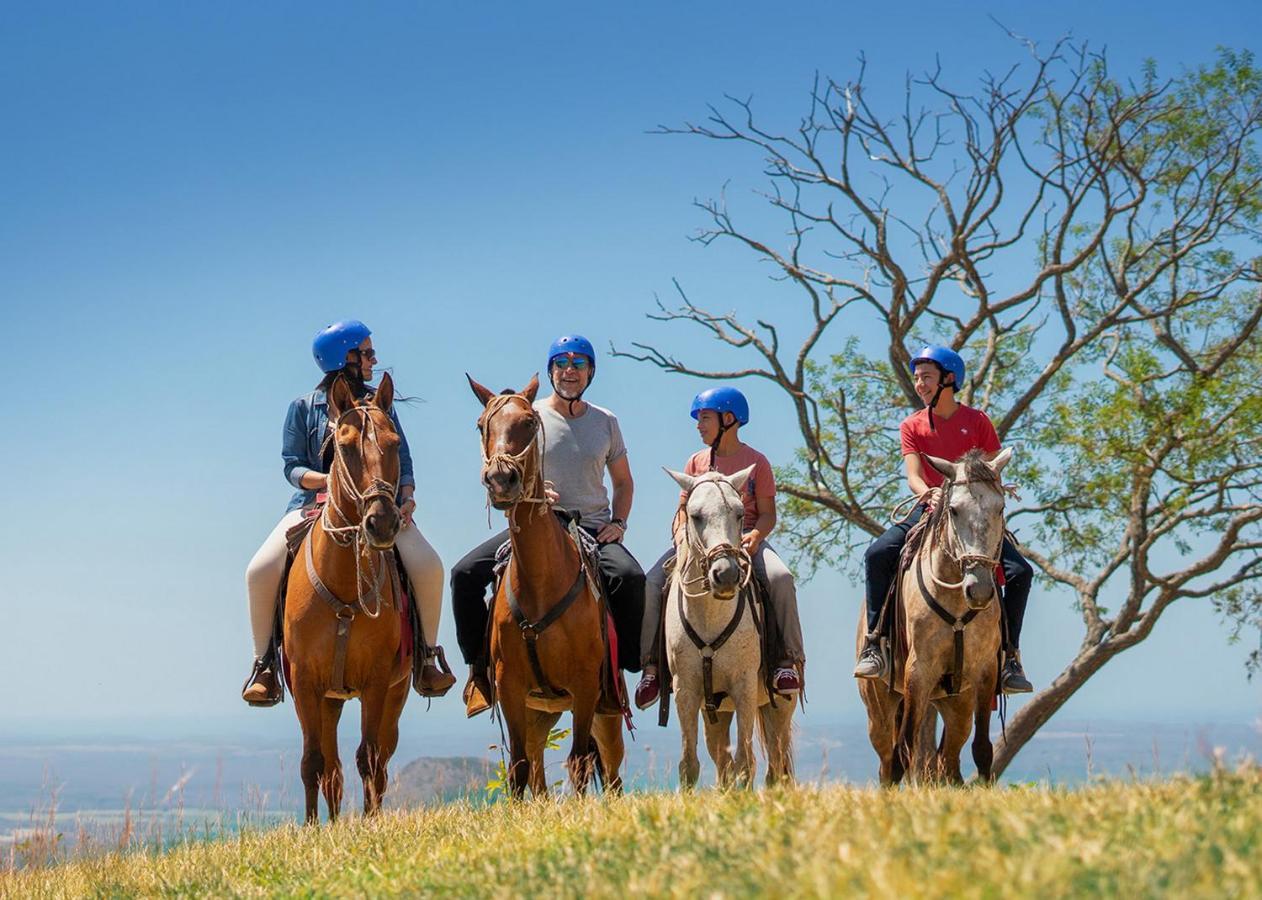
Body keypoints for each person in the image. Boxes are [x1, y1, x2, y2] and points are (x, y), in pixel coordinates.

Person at [241, 320, 456, 705]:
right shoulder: (303, 408)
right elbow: (291, 466)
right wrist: (328, 482)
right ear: (346, 358)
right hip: (314, 507)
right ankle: (265, 665)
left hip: (382, 507)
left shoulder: (380, 404)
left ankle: (427, 655)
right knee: (259, 570)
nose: (374, 359)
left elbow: (402, 459)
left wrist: (406, 496)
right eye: (367, 353)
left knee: (429, 565)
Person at [450, 334, 646, 716]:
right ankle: (479, 672)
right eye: (561, 363)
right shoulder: (529, 415)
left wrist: (619, 523)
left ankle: (619, 674)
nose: (569, 371)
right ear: (551, 369)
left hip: (591, 527)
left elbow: (623, 481)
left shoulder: (606, 422)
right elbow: (510, 465)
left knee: (631, 577)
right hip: (539, 522)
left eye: (578, 364)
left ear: (590, 372)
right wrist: (537, 490)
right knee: (464, 574)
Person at [854, 345, 1034, 693]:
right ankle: (875, 643)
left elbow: (993, 467)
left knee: (1021, 572)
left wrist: (993, 487)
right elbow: (914, 475)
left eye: (927, 377)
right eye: (918, 378)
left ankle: (1010, 657)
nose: (920, 384)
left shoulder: (978, 421)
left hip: (973, 517)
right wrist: (928, 493)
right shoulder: (912, 425)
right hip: (932, 508)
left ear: (948, 380)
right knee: (878, 554)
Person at [633, 386, 805, 711]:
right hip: (698, 543)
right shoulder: (696, 463)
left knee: (781, 578)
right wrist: (681, 535)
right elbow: (683, 510)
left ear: (729, 419)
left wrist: (754, 537)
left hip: (744, 540)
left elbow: (768, 514)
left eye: (705, 418)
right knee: (652, 581)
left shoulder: (757, 462)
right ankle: (652, 669)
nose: (699, 425)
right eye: (698, 419)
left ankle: (787, 660)